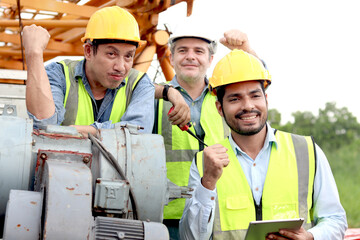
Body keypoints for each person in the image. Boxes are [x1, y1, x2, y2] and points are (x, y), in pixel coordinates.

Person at [179, 49, 348, 240]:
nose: (248, 106)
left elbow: (335, 219)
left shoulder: (307, 151)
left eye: (255, 96)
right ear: (220, 108)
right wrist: (207, 183)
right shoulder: (204, 163)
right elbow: (189, 237)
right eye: (235, 99)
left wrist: (311, 236)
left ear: (266, 99)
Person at [153, 28, 260, 239]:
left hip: (220, 209)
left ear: (210, 59)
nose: (191, 56)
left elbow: (256, 81)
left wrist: (246, 49)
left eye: (199, 51)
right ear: (171, 58)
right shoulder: (155, 96)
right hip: (168, 216)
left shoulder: (226, 97)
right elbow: (128, 87)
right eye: (182, 50)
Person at [22, 6, 187, 136]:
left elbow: (139, 133)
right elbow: (44, 126)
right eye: (111, 54)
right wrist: (34, 54)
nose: (121, 66)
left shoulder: (139, 83)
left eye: (129, 56)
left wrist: (84, 131)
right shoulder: (60, 74)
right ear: (88, 51)